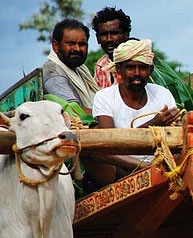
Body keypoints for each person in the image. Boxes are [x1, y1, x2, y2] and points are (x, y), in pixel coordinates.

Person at [85, 39, 182, 187]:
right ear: (118, 70)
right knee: (91, 150)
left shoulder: (162, 94)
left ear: (150, 70)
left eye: (142, 68)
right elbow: (109, 143)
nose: (136, 73)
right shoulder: (105, 97)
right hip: (120, 169)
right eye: (130, 67)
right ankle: (146, 169)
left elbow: (175, 137)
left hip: (160, 164)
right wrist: (153, 124)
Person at [43, 19, 100, 114]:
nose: (77, 49)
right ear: (55, 46)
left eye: (82, 44)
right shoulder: (53, 73)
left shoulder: (80, 70)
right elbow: (73, 111)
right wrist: (108, 116)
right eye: (71, 43)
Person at [91, 7, 131, 88]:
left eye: (114, 33)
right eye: (104, 34)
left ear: (126, 34)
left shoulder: (138, 61)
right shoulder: (100, 65)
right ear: (97, 38)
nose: (109, 39)